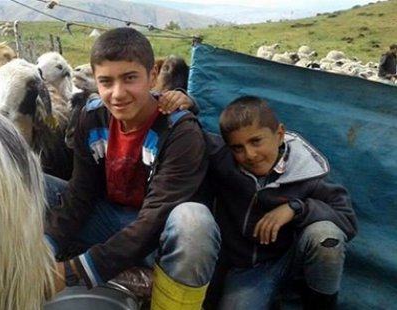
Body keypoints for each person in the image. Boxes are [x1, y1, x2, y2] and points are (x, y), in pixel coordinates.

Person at [44, 27, 220, 309]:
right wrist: (45, 248)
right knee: (33, 184)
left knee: (194, 221)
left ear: (152, 76)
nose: (117, 93)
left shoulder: (180, 131)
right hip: (110, 222)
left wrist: (75, 271)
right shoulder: (91, 119)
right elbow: (81, 192)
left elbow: (155, 218)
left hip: (161, 239)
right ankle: (21, 269)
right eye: (106, 81)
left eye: (129, 78)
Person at [202, 96, 358, 310]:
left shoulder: (306, 172)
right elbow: (188, 133)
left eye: (256, 141)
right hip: (247, 271)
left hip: (290, 260)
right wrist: (183, 101)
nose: (250, 154)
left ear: (280, 134)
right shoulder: (221, 158)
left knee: (326, 237)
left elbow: (347, 220)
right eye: (238, 148)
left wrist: (297, 208)